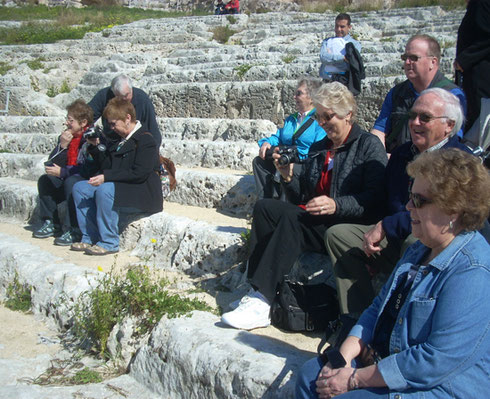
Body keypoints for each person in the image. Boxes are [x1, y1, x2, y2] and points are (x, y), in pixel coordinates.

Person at [296, 148, 490, 399]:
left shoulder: (472, 271)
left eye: (419, 200)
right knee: (310, 378)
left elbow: (436, 360)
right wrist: (342, 358)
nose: (408, 206)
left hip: (438, 385)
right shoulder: (420, 250)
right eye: (410, 197)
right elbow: (377, 308)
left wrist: (354, 379)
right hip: (388, 361)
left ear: (453, 210)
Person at [221, 82, 388, 330]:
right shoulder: (321, 148)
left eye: (328, 117)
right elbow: (306, 193)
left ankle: (262, 301)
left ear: (348, 114)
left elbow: (374, 197)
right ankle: (256, 288)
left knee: (293, 219)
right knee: (265, 208)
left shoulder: (367, 145)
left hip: (347, 223)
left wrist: (336, 205)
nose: (322, 123)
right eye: (319, 117)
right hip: (320, 218)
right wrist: (289, 176)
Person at [324, 88, 472, 339]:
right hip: (395, 231)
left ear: (449, 125)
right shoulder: (403, 153)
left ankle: (400, 329)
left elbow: (437, 217)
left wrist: (386, 225)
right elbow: (385, 199)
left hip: (431, 239)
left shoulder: (459, 161)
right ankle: (357, 321)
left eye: (425, 118)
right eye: (413, 116)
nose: (414, 123)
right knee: (339, 235)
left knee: (417, 241)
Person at [71, 98, 163, 256]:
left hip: (143, 191)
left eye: (114, 124)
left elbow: (139, 174)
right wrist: (96, 147)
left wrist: (106, 177)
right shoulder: (118, 140)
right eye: (110, 124)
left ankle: (109, 241)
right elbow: (108, 167)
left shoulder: (145, 139)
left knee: (105, 189)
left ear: (128, 118)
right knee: (80, 188)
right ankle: (89, 236)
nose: (112, 128)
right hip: (122, 187)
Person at [371, 35, 466, 153]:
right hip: (398, 160)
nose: (407, 62)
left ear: (433, 62)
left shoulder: (452, 95)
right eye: (405, 57)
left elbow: (454, 139)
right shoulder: (396, 93)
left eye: (414, 58)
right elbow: (379, 130)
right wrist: (381, 157)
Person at [33, 99, 94, 246]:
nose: (66, 123)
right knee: (45, 180)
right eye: (67, 119)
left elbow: (89, 168)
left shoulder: (91, 139)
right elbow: (54, 161)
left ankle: (74, 229)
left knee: (71, 182)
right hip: (68, 176)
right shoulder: (67, 138)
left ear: (83, 122)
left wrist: (63, 172)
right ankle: (51, 223)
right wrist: (62, 146)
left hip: (85, 180)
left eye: (70, 120)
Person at [253, 78, 325, 200]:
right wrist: (266, 143)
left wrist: (296, 157)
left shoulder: (319, 120)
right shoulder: (291, 119)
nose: (294, 97)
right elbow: (278, 136)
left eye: (299, 93)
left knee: (287, 168)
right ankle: (265, 202)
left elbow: (318, 150)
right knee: (259, 162)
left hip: (303, 162)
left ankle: (282, 207)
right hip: (285, 157)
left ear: (312, 97)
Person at [88, 74, 162, 147]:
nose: (123, 100)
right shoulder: (104, 95)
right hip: (109, 142)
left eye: (126, 96)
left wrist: (153, 151)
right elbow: (86, 116)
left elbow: (153, 129)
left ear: (131, 89)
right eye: (118, 97)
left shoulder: (142, 100)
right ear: (113, 92)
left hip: (134, 144)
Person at [455, 0, 490, 133]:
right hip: (475, 70)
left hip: (482, 71)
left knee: (481, 117)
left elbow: (486, 37)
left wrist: (465, 59)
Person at [319, 13, 362, 88]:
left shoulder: (355, 45)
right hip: (326, 83)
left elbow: (349, 66)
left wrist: (330, 60)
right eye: (336, 26)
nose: (338, 29)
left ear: (349, 27)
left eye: (342, 27)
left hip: (344, 84)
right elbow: (323, 58)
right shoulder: (327, 41)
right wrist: (342, 58)